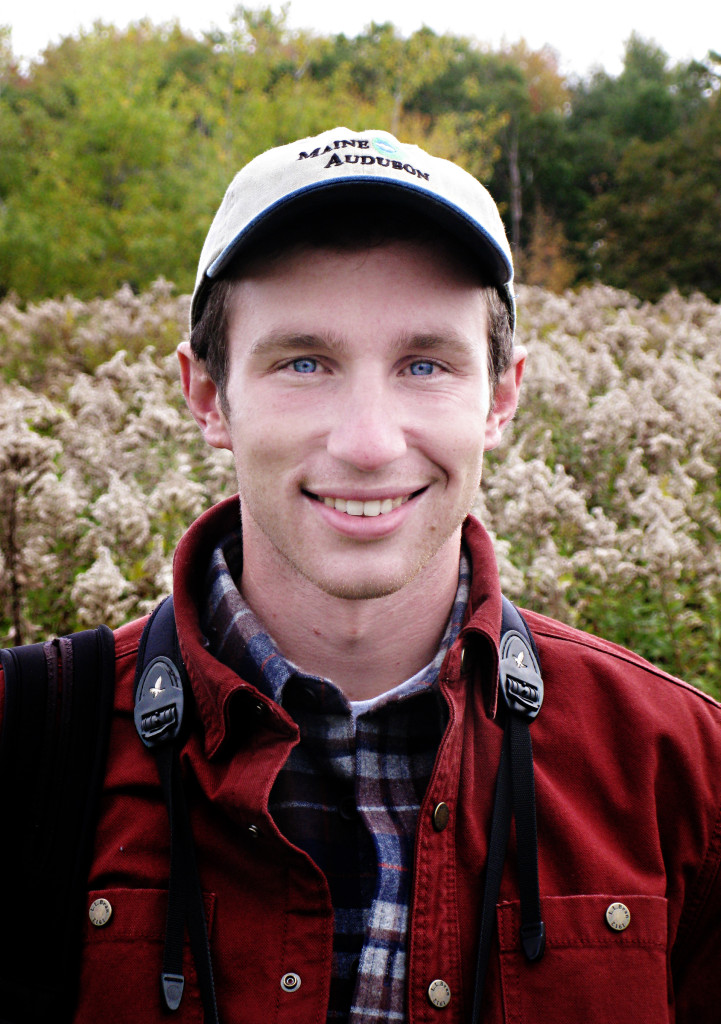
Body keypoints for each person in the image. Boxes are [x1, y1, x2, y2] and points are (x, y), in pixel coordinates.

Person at [2, 126, 721, 1024]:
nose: (370, 443)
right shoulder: (23, 744)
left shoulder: (682, 770)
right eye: (304, 362)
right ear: (206, 396)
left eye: (425, 364)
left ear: (501, 395)